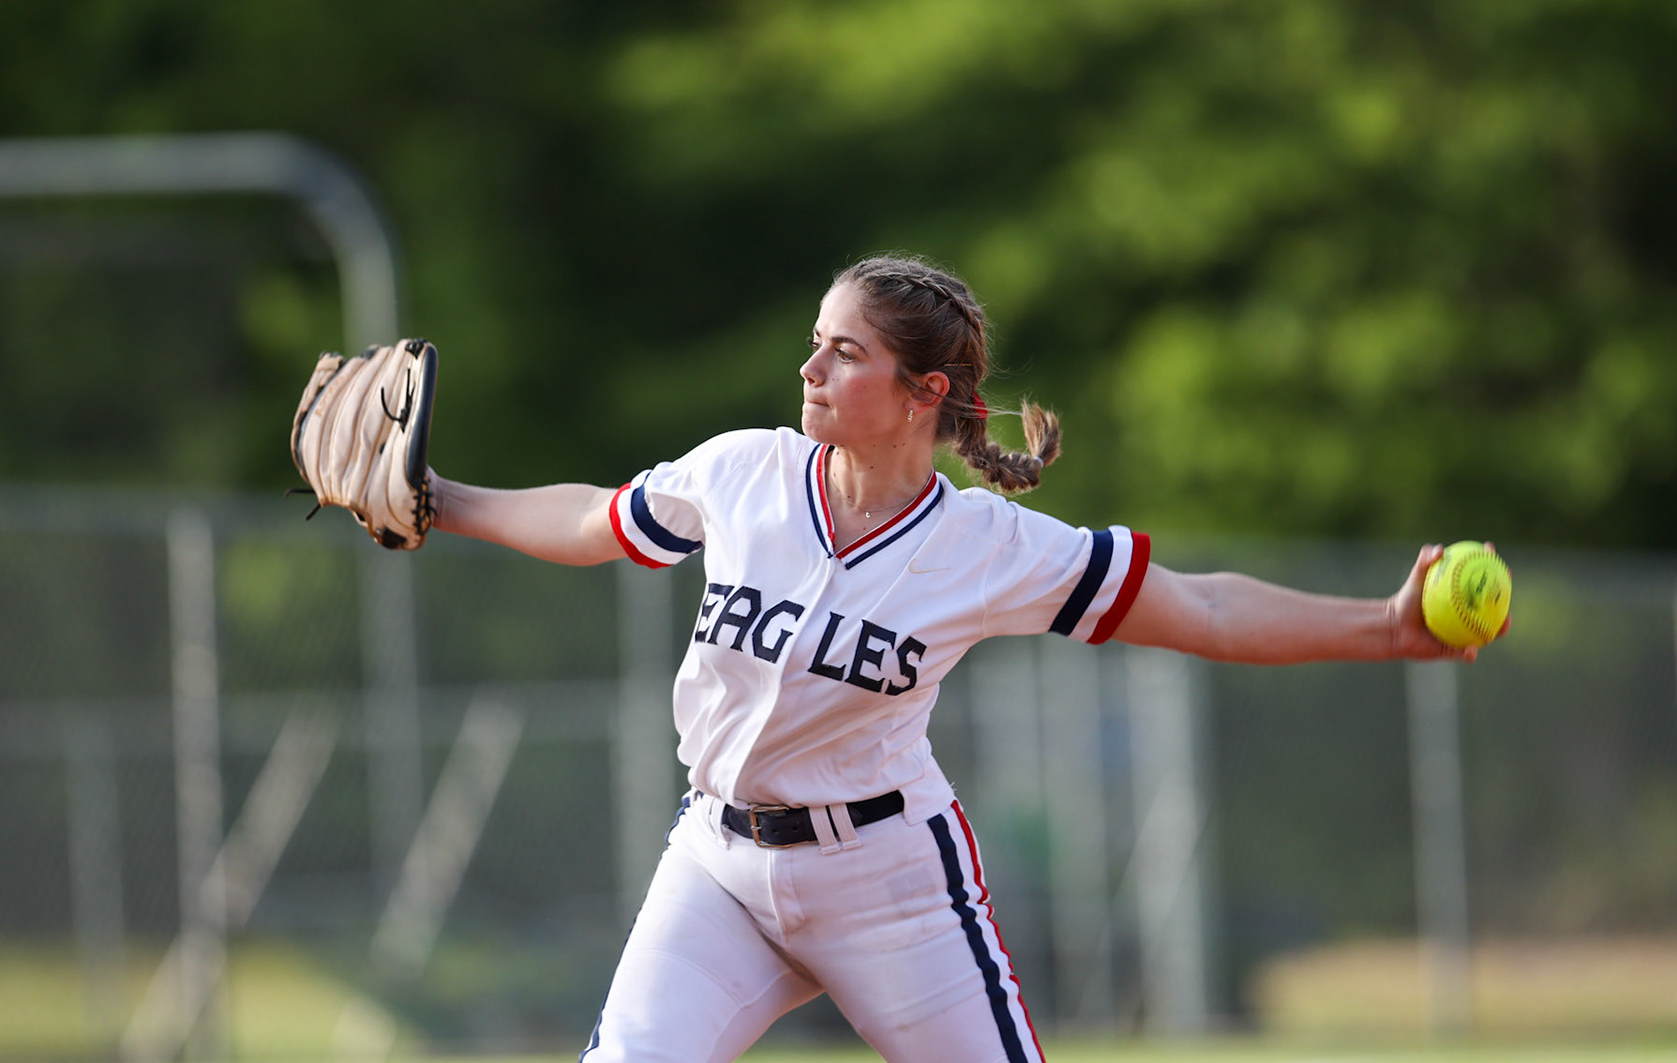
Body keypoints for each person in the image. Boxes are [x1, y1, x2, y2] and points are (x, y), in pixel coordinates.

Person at [428, 255, 1494, 1063]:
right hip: (719, 862)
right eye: (816, 340)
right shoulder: (747, 471)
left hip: (888, 884)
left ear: (924, 392)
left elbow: (1204, 606)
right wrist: (440, 500)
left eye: (846, 351)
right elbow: (593, 519)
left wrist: (1387, 625)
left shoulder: (985, 545)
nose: (810, 366)